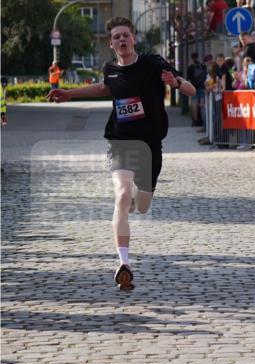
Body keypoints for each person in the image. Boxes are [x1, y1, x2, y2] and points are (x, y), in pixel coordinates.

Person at [46, 17, 195, 290]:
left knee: (142, 205)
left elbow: (191, 89)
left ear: (134, 38)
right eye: (117, 37)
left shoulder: (153, 63)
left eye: (126, 35)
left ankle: (131, 206)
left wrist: (175, 82)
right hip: (121, 142)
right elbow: (105, 88)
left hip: (150, 145)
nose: (122, 40)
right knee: (122, 195)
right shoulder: (110, 68)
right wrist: (69, 94)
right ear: (111, 43)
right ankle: (124, 263)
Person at [186, 52, 207, 126]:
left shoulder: (190, 67)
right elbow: (205, 76)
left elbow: (188, 79)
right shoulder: (203, 65)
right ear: (198, 57)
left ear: (192, 58)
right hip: (202, 87)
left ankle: (195, 121)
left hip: (193, 87)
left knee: (194, 104)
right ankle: (203, 121)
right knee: (202, 104)